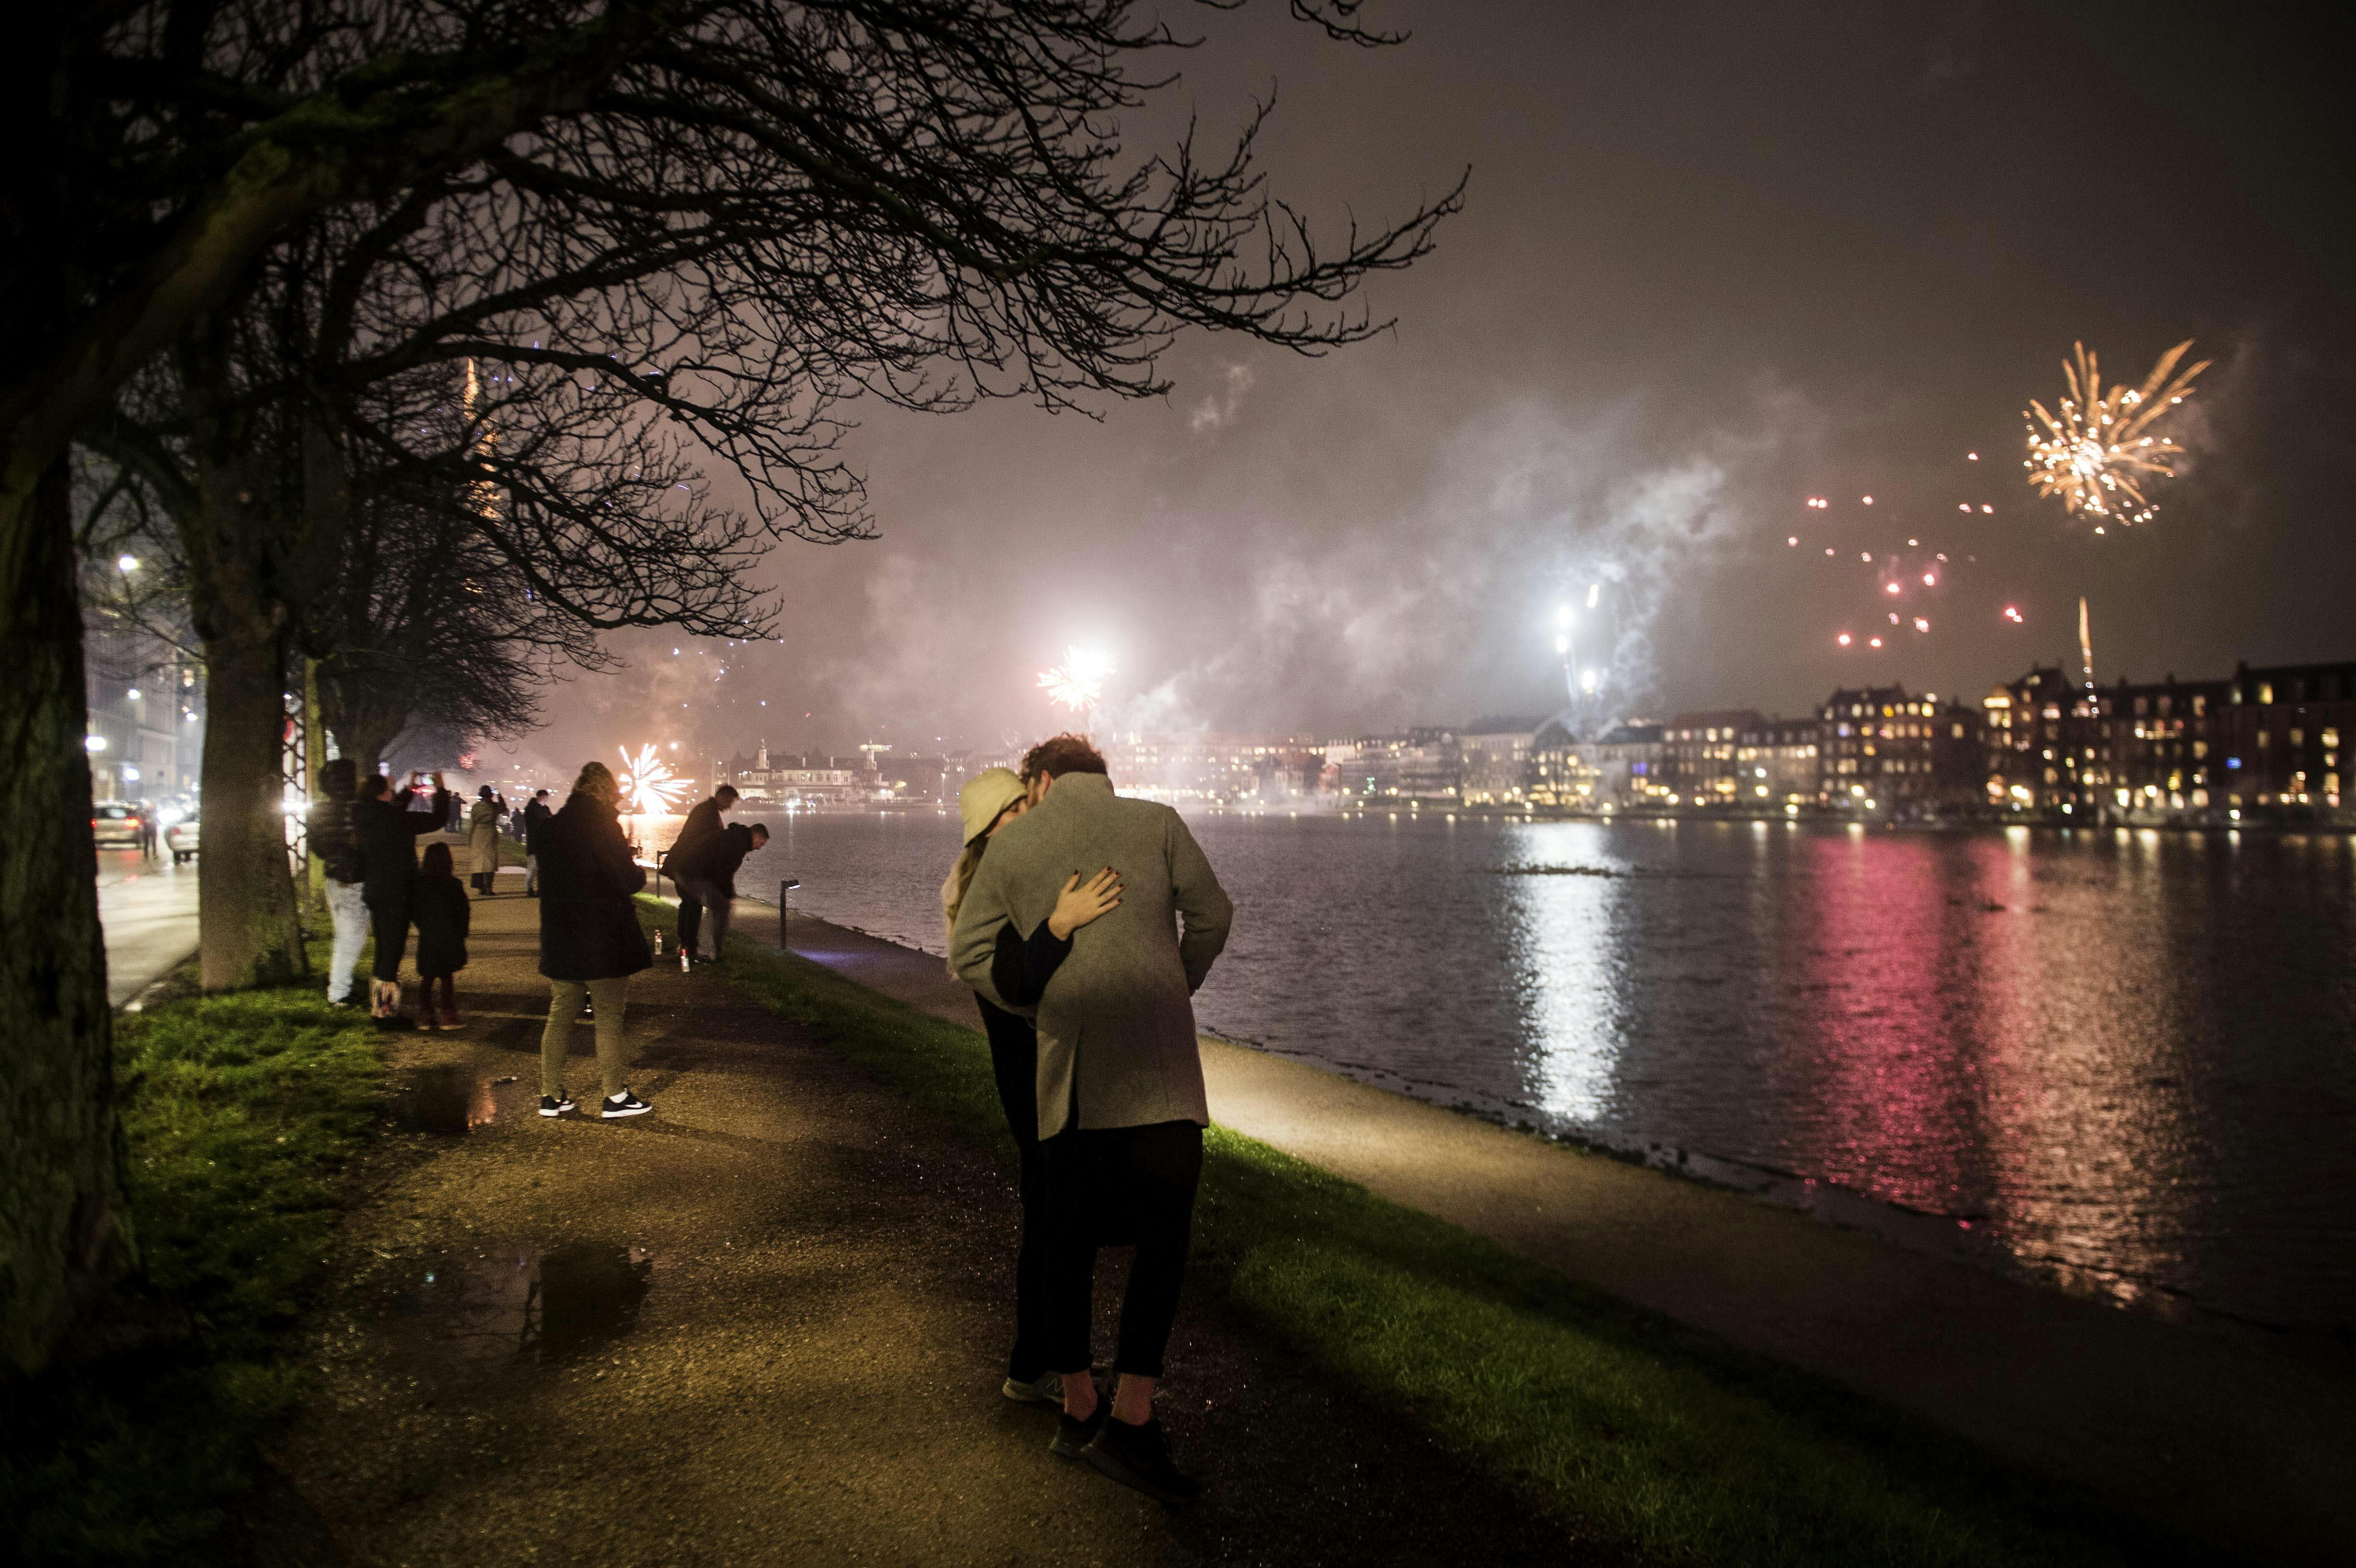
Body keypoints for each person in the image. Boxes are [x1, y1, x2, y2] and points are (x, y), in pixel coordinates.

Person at [950, 733, 1232, 1503]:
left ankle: (1077, 1406)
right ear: (1104, 778)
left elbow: (969, 952)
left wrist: (1035, 1003)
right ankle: (1135, 1415)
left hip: (1072, 1077)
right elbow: (1213, 916)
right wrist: (1178, 981)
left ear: (1040, 781)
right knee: (1163, 1240)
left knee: (1066, 1240)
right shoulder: (1161, 822)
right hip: (1162, 1076)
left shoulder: (1018, 845)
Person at [942, 767, 1123, 1412]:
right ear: (989, 833)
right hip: (1031, 1069)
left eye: (1027, 804)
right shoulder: (990, 896)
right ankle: (1035, 1365)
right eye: (1013, 812)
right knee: (1051, 1217)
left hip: (1033, 1066)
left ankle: (1050, 1356)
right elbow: (1018, 986)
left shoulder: (991, 883)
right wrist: (1061, 925)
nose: (1026, 816)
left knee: (1053, 1214)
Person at [537, 761, 654, 1119]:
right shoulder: (605, 826)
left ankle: (551, 1095)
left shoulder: (551, 828)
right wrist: (634, 868)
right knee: (608, 1015)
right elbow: (628, 880)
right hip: (602, 933)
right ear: (608, 792)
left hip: (560, 932)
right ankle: (615, 1096)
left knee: (560, 1014)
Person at [353, 768, 453, 1024]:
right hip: (396, 892)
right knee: (392, 952)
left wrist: (409, 789)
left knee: (383, 949)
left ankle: (379, 1004)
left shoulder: (363, 814)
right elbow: (438, 819)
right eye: (389, 788)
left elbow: (394, 807)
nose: (391, 791)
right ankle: (384, 1013)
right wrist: (441, 790)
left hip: (375, 889)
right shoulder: (395, 819)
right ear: (381, 794)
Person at [307, 758, 366, 1007]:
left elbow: (316, 848)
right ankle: (340, 992)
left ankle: (342, 988)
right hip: (354, 878)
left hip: (334, 877)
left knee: (347, 936)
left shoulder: (317, 810)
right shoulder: (359, 809)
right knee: (351, 937)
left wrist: (335, 855)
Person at [670, 817, 768, 964]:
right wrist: (728, 895)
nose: (759, 848)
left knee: (717, 906)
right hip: (692, 874)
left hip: (689, 870)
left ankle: (706, 950)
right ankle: (710, 952)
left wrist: (727, 893)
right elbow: (724, 871)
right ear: (756, 836)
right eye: (761, 843)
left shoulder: (735, 837)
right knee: (722, 908)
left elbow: (722, 870)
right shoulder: (737, 844)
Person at [662, 784, 737, 946]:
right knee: (693, 903)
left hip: (682, 862)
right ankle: (689, 944)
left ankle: (684, 941)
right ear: (722, 797)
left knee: (687, 902)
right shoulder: (709, 814)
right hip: (689, 865)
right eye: (730, 802)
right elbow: (708, 843)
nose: (730, 807)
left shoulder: (706, 810)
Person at [411, 842, 472, 1030]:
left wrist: (423, 926)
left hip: (429, 937)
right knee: (447, 977)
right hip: (449, 937)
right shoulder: (453, 884)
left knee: (427, 978)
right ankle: (448, 1015)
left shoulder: (420, 885)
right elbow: (463, 911)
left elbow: (415, 911)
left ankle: (426, 1014)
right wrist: (461, 933)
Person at [467, 785, 505, 896]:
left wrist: (470, 839)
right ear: (491, 795)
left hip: (477, 834)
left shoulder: (476, 807)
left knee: (478, 862)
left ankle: (481, 888)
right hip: (490, 833)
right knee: (490, 861)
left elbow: (471, 824)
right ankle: (489, 888)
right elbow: (504, 807)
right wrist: (499, 795)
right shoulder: (494, 806)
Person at [523, 788, 553, 896]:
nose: (546, 800)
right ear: (539, 797)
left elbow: (551, 821)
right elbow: (531, 826)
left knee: (542, 868)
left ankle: (541, 889)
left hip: (544, 843)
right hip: (534, 842)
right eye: (544, 798)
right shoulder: (530, 810)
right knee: (532, 867)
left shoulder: (545, 809)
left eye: (547, 799)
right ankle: (529, 889)